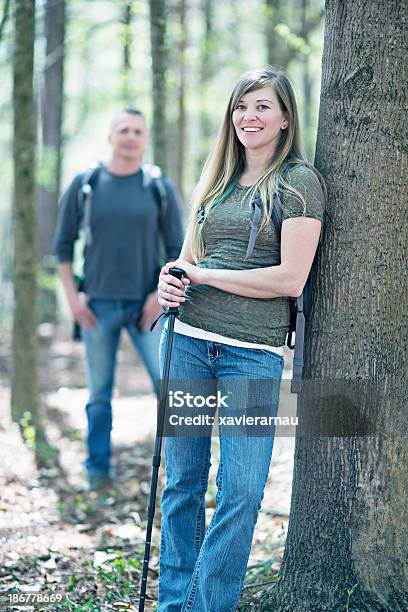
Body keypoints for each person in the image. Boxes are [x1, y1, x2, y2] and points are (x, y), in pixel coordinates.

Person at [156, 67, 327, 610]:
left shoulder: (299, 182)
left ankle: (206, 605)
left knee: (243, 491)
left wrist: (204, 276)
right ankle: (173, 601)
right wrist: (172, 279)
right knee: (182, 483)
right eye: (240, 107)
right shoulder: (218, 181)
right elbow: (191, 259)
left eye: (261, 107)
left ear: (284, 118)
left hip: (250, 356)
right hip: (186, 342)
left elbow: (289, 280)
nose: (248, 117)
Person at [53, 108, 184, 491]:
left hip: (148, 308)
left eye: (137, 131)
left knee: (170, 387)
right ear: (111, 136)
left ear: (145, 139)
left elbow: (178, 248)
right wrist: (73, 301)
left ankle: (180, 473)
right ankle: (97, 470)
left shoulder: (157, 186)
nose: (130, 137)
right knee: (98, 393)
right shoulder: (87, 183)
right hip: (96, 308)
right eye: (123, 130)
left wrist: (157, 297)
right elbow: (62, 247)